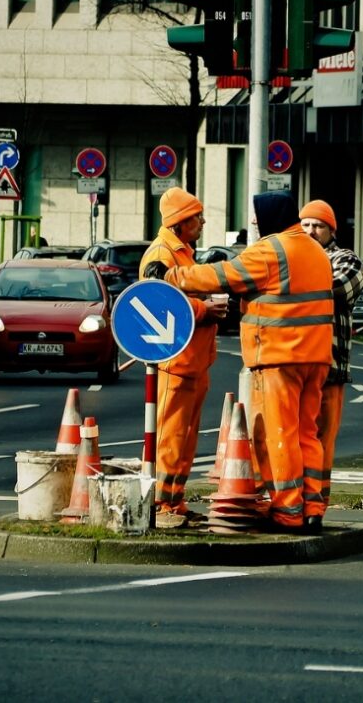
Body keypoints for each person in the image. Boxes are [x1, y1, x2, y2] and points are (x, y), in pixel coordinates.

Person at [154, 191, 334, 534]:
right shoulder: (315, 250)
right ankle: (312, 507)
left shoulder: (272, 250)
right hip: (317, 358)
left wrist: (171, 276)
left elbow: (222, 276)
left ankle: (289, 510)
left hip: (280, 357)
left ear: (270, 217)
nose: (254, 221)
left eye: (257, 214)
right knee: (308, 433)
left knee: (280, 435)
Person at [138, 187, 228, 525]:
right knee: (171, 436)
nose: (203, 221)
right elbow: (157, 301)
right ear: (179, 223)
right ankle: (162, 503)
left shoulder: (181, 253)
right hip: (177, 362)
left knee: (185, 437)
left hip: (192, 361)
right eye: (197, 216)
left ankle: (173, 502)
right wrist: (205, 308)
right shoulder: (161, 255)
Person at [299, 199, 363, 517]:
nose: (311, 231)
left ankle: (317, 503)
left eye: (318, 226)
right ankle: (290, 499)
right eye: (306, 224)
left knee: (322, 439)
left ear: (331, 230)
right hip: (295, 364)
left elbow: (336, 291)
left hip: (331, 367)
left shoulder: (346, 260)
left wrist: (293, 283)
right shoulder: (295, 257)